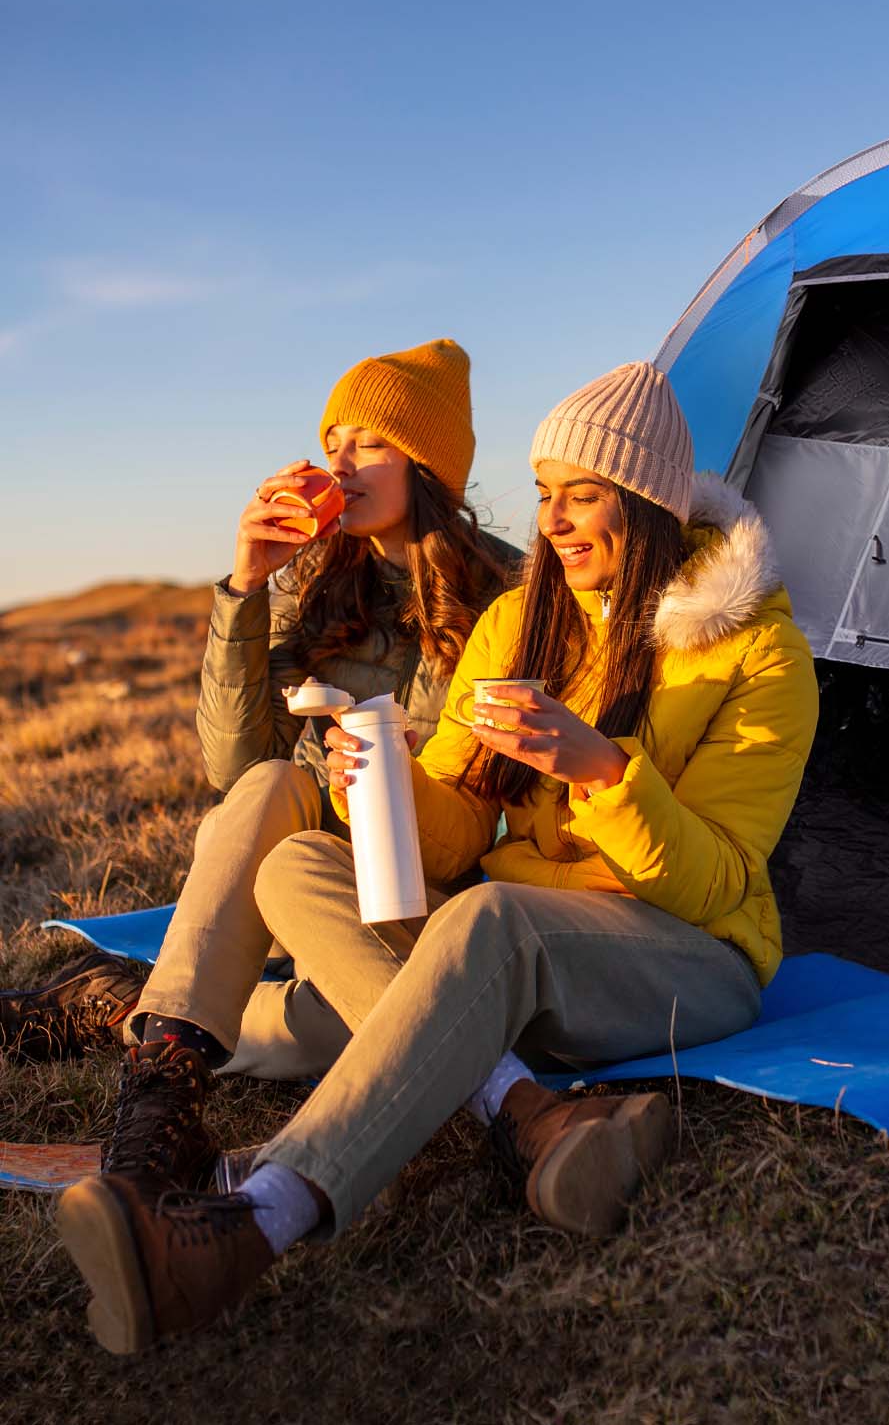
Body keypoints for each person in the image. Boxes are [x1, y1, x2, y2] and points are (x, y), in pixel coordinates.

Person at [55, 360, 819, 1353]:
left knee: (480, 923)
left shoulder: (758, 654)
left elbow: (719, 877)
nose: (557, 520)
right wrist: (374, 775)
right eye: (547, 496)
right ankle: (520, 1107)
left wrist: (603, 773)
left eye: (584, 498)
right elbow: (458, 819)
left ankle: (249, 1225)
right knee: (296, 870)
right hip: (523, 947)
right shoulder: (521, 622)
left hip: (689, 952)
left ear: (648, 503)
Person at [6, 338, 516, 1192]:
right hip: (295, 876)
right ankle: (158, 1102)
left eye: (371, 443)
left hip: (432, 892)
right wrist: (246, 588)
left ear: (427, 464)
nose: (342, 463)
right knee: (275, 780)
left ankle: (128, 1003)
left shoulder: (509, 592)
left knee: (339, 1032)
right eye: (333, 442)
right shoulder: (314, 580)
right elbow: (234, 767)